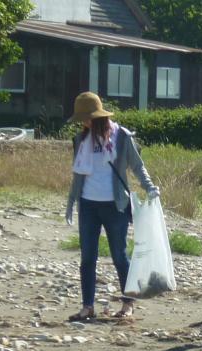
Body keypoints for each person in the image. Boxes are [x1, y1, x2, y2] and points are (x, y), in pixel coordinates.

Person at [65, 92, 158, 321]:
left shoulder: (121, 136)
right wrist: (71, 202)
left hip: (116, 206)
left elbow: (137, 166)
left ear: (96, 117)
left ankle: (128, 304)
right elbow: (77, 175)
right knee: (88, 258)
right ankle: (88, 306)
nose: (84, 123)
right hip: (88, 204)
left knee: (119, 256)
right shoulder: (80, 140)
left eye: (86, 118)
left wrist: (149, 187)